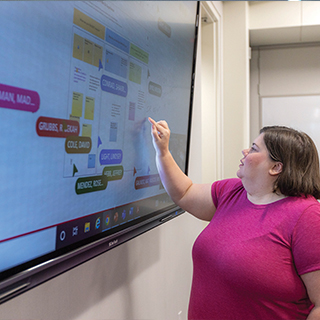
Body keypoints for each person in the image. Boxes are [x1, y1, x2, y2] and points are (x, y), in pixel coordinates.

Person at [148, 117, 320, 320]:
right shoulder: (232, 191)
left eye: (255, 149)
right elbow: (184, 192)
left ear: (276, 168)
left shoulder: (307, 215)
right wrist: (163, 152)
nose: (245, 152)